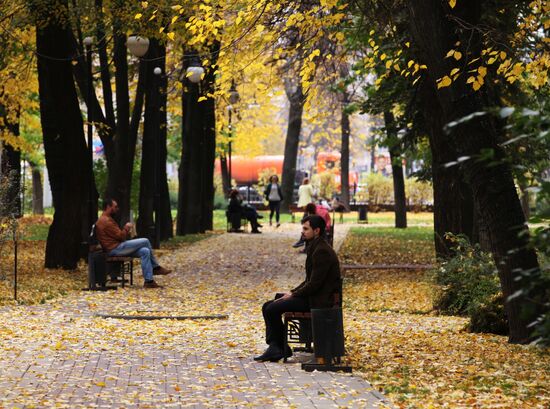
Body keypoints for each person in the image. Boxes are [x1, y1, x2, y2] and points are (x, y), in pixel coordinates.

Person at [254, 215, 341, 362]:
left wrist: (294, 294)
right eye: (303, 228)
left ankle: (278, 347)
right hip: (314, 296)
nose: (303, 232)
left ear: (317, 231)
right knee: (270, 304)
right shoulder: (316, 247)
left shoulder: (321, 251)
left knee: (271, 308)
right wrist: (292, 292)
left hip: (318, 301)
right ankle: (278, 347)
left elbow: (314, 285)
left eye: (306, 229)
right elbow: (309, 281)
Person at [96, 198, 171, 289]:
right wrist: (126, 228)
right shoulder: (106, 221)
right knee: (145, 241)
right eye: (115, 207)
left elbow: (118, 236)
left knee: (145, 251)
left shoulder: (107, 219)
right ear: (108, 207)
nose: (117, 209)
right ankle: (155, 267)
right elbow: (121, 236)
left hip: (117, 247)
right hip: (115, 249)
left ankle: (149, 281)